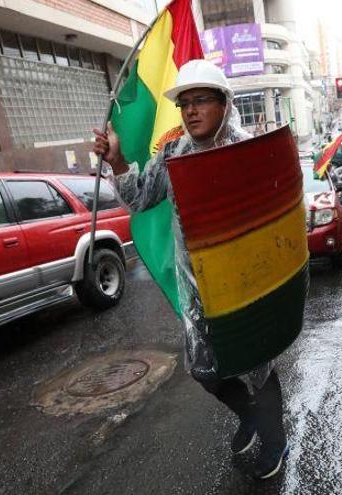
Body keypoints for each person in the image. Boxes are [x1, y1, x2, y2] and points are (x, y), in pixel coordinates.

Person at [93, 60, 288, 480]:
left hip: (247, 285)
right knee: (204, 370)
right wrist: (120, 161)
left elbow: (277, 211)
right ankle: (251, 417)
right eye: (185, 104)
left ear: (225, 103)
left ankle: (275, 439)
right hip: (196, 289)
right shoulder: (172, 153)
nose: (191, 111)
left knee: (259, 368)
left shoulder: (247, 149)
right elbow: (142, 198)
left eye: (201, 100)